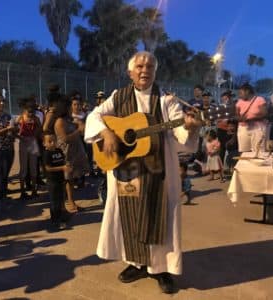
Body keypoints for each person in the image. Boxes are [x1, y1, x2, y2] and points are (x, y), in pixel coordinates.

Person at [84, 51, 200, 294]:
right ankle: (136, 263)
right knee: (130, 218)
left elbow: (181, 136)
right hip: (128, 170)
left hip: (159, 174)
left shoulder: (167, 101)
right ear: (130, 72)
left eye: (149, 66)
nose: (144, 70)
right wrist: (106, 133)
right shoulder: (118, 97)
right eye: (139, 66)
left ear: (155, 72)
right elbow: (94, 115)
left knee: (160, 218)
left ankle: (160, 268)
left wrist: (190, 127)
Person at [54, 95, 89, 213]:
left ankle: (70, 202)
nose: (72, 109)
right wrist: (78, 130)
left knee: (71, 180)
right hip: (65, 155)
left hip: (73, 154)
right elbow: (65, 139)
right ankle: (69, 203)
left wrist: (81, 126)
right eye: (70, 106)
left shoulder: (68, 120)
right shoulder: (59, 122)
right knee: (67, 180)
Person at [43, 132, 71, 230]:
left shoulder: (59, 150)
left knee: (61, 199)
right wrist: (62, 168)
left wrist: (66, 165)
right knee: (54, 202)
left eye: (54, 141)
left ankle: (62, 216)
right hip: (52, 181)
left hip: (60, 179)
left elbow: (63, 160)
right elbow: (48, 168)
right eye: (49, 141)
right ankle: (56, 220)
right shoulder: (47, 154)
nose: (52, 143)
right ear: (44, 143)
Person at [16, 100, 42, 199]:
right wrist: (19, 137)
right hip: (24, 143)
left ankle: (34, 191)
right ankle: (23, 191)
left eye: (32, 111)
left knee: (33, 168)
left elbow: (40, 129)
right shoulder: (20, 118)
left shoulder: (36, 119)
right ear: (24, 110)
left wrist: (35, 135)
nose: (31, 113)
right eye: (29, 111)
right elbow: (13, 130)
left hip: (32, 143)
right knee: (23, 169)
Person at [236, 83, 268, 154]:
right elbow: (236, 115)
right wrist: (240, 118)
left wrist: (251, 119)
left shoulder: (260, 99)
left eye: (241, 93)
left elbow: (265, 114)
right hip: (243, 128)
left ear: (247, 91)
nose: (239, 95)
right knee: (244, 151)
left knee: (258, 151)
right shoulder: (239, 101)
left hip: (258, 128)